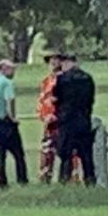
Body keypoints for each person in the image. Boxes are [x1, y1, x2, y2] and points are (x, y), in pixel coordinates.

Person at [53, 53, 97, 185]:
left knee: (65, 153)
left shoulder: (62, 80)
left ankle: (64, 179)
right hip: (83, 120)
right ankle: (90, 179)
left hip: (67, 121)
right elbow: (90, 100)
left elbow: (57, 100)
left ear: (66, 63)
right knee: (86, 154)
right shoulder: (87, 78)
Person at [36, 53, 63, 184]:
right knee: (47, 151)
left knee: (68, 150)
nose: (53, 63)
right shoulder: (45, 82)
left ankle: (70, 178)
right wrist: (43, 116)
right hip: (48, 124)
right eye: (51, 61)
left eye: (56, 60)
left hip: (62, 122)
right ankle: (45, 177)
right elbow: (41, 101)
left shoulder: (64, 80)